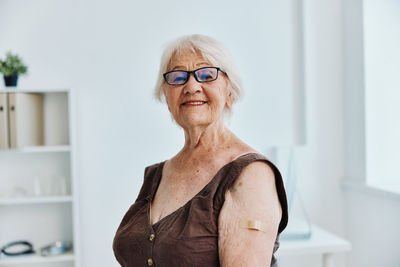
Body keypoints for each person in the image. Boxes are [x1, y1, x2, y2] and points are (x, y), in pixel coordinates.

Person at [113, 34, 288, 267]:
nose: (191, 87)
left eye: (207, 75)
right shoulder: (157, 175)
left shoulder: (251, 175)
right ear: (166, 95)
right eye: (177, 77)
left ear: (230, 92)